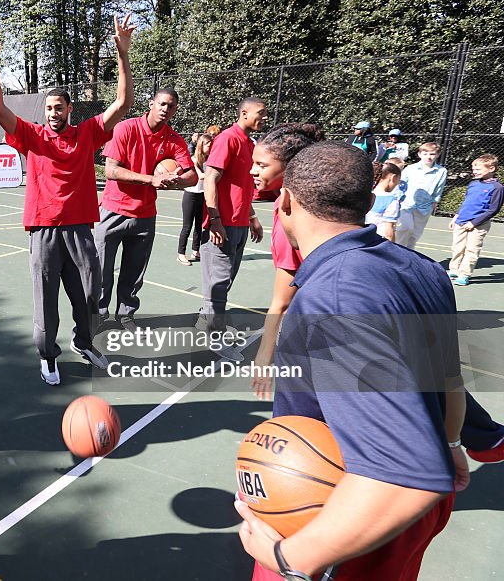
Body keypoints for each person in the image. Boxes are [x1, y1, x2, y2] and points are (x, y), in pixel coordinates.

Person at [235, 141, 468, 581]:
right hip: (401, 521)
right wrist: (452, 444)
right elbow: (450, 380)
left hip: (343, 518)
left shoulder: (333, 299)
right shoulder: (421, 268)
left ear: (285, 200)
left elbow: (404, 475)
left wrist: (292, 559)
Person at [0, 14, 135, 384]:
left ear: (69, 110)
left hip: (80, 229)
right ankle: (48, 356)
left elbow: (123, 103)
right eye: (48, 108)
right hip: (44, 230)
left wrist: (123, 56)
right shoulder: (32, 136)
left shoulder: (88, 133)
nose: (53, 113)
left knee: (89, 295)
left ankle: (85, 342)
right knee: (46, 301)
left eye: (59, 107)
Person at [97, 88, 196, 332]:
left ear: (175, 110)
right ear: (151, 103)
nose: (165, 109)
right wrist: (150, 179)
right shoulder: (126, 128)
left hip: (144, 215)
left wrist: (176, 181)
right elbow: (111, 170)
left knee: (134, 272)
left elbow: (192, 176)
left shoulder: (173, 139)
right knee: (100, 270)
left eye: (171, 106)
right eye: (162, 103)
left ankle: (126, 315)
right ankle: (97, 316)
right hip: (113, 210)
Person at [244, 123, 325, 400]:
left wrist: (264, 355)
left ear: (290, 168)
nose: (252, 171)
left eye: (262, 165)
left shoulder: (289, 212)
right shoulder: (320, 200)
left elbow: (283, 300)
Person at [198, 98, 266, 347]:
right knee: (218, 283)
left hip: (239, 224)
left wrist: (252, 217)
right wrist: (215, 220)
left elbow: (242, 185)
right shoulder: (228, 138)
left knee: (223, 283)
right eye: (261, 113)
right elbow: (210, 179)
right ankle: (214, 338)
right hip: (223, 225)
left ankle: (206, 322)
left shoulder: (250, 143)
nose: (264, 117)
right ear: (244, 113)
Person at [448, 153, 503, 286]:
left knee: (472, 249)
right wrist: (456, 217)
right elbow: (466, 202)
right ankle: (454, 269)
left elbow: (493, 209)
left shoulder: (498, 188)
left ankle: (464, 274)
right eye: (473, 169)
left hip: (479, 225)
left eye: (478, 169)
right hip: (461, 221)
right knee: (457, 247)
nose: (474, 171)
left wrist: (473, 223)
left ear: (491, 169)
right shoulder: (473, 184)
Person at [397, 142, 447, 250]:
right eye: (425, 154)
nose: (428, 157)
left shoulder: (441, 171)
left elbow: (439, 188)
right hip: (406, 205)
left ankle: (409, 255)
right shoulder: (411, 168)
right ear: (419, 154)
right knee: (406, 228)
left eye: (432, 154)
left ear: (437, 155)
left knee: (415, 235)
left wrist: (435, 202)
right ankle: (397, 251)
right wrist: (398, 198)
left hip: (424, 207)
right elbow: (401, 184)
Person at [177, 133, 212, 265]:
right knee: (187, 226)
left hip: (202, 194)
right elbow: (201, 176)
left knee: (199, 226)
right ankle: (180, 254)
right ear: (201, 145)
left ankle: (196, 251)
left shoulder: (209, 160)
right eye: (208, 145)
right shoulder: (193, 160)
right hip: (191, 195)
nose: (210, 147)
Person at [367, 162, 404, 242]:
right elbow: (388, 230)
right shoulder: (391, 200)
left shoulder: (365, 194)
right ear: (393, 178)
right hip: (378, 241)